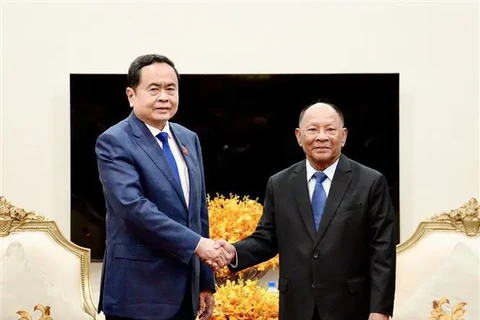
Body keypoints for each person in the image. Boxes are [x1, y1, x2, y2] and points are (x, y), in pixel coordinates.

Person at [218, 102, 397, 320]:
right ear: (299, 136)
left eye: (330, 129)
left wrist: (380, 310)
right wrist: (234, 253)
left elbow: (382, 252)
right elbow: (267, 238)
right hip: (296, 307)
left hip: (351, 308)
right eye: (312, 129)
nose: (321, 137)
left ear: (344, 136)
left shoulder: (370, 182)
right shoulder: (280, 183)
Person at [95, 54, 229, 320]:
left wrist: (204, 282)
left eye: (171, 89)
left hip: (184, 294)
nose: (164, 97)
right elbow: (134, 209)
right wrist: (197, 245)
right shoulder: (114, 141)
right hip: (138, 294)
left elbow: (198, 213)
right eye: (153, 89)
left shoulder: (188, 138)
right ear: (131, 95)